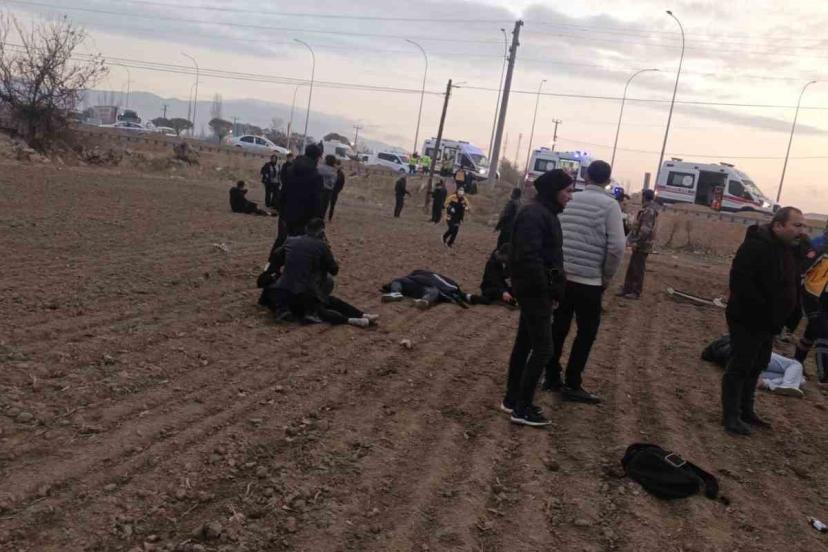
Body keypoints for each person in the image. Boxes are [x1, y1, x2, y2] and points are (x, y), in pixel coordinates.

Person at [545, 160, 626, 404]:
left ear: (586, 177)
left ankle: (550, 376)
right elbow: (617, 247)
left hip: (562, 277)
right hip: (589, 282)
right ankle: (572, 382)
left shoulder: (571, 199)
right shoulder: (611, 206)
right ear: (608, 181)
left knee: (558, 328)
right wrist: (606, 277)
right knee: (586, 333)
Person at [721, 206, 806, 435]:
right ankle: (731, 416)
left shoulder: (789, 249)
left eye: (803, 226)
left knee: (758, 364)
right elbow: (741, 283)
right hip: (748, 318)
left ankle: (746, 410)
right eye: (797, 225)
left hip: (770, 323)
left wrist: (791, 315)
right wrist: (764, 312)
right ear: (778, 225)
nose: (802, 231)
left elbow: (792, 284)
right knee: (740, 365)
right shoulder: (756, 246)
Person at [503, 169, 574, 427]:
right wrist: (547, 290)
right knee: (543, 349)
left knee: (525, 343)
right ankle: (522, 408)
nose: (571, 196)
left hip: (535, 290)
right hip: (534, 292)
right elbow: (529, 259)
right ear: (554, 191)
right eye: (567, 191)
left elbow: (548, 256)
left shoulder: (545, 213)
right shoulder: (535, 215)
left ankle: (512, 399)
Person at [259, 218, 378, 328]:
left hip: (283, 292)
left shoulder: (290, 241)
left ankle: (360, 317)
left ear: (306, 228)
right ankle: (357, 317)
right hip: (304, 294)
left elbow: (276, 257)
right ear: (321, 232)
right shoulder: (321, 246)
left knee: (324, 302)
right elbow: (334, 270)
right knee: (327, 302)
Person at [702, 335, 806, 397]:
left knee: (799, 379)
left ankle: (768, 384)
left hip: (744, 366)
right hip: (753, 354)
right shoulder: (732, 340)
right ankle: (785, 384)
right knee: (796, 366)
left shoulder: (723, 348)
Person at [272, 144, 323, 254]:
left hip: (286, 213)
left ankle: (271, 263)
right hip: (303, 218)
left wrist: (281, 210)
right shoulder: (316, 176)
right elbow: (317, 202)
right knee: (298, 247)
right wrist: (318, 220)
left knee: (282, 240)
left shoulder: (290, 169)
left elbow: (283, 191)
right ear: (317, 158)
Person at [619, 189, 659, 299]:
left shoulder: (649, 211)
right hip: (640, 244)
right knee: (632, 267)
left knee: (638, 268)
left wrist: (637, 242)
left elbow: (645, 230)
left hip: (642, 245)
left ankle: (635, 291)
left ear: (644, 197)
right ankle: (627, 289)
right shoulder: (646, 210)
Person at [381, 269, 475, 309]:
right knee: (434, 291)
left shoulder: (417, 273)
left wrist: (388, 286)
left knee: (398, 281)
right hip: (427, 289)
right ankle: (425, 300)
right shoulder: (448, 283)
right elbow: (449, 292)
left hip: (413, 285)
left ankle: (395, 292)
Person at [317, 154, 338, 219]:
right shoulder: (334, 171)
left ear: (326, 160)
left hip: (318, 189)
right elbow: (332, 183)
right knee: (323, 209)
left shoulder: (319, 168)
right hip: (327, 191)